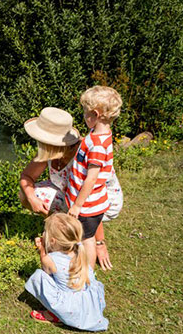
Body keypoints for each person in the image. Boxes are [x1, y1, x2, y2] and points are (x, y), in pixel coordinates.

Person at [19, 107, 122, 270]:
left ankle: (78, 240)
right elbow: (26, 177)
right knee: (24, 194)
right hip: (74, 197)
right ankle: (63, 228)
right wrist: (32, 198)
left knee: (84, 240)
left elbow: (92, 203)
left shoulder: (83, 156)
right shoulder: (51, 152)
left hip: (100, 202)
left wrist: (100, 243)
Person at [65, 86, 122, 268]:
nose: (83, 115)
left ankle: (87, 273)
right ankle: (79, 264)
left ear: (95, 115)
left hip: (88, 206)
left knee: (87, 239)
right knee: (81, 236)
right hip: (89, 203)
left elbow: (91, 179)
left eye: (84, 112)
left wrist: (77, 205)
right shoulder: (98, 135)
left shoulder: (97, 145)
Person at [25, 213, 108, 331]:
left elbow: (45, 268)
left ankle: (55, 315)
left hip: (68, 307)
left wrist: (42, 248)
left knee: (39, 277)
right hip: (87, 302)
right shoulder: (79, 251)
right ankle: (81, 313)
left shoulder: (51, 259)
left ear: (52, 241)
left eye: (45, 231)